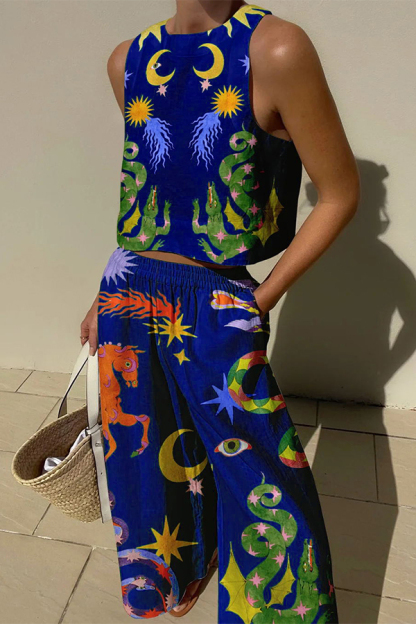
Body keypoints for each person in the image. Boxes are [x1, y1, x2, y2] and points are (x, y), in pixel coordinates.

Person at [80, 1, 359, 621]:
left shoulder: (275, 48)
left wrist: (259, 299)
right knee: (147, 467)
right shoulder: (128, 60)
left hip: (215, 299)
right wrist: (105, 294)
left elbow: (340, 193)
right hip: (130, 294)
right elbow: (153, 190)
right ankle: (174, 581)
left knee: (264, 484)